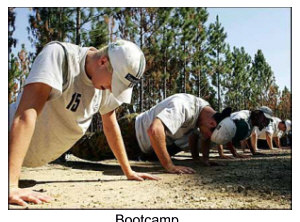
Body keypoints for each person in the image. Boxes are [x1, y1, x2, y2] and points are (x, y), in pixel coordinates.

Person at [9, 39, 159, 207]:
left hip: (23, 163)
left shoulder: (103, 85)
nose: (112, 89)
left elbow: (110, 126)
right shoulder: (60, 56)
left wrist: (128, 170)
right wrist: (11, 186)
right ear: (103, 61)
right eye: (114, 83)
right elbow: (25, 115)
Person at [70, 94, 231, 174]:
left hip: (142, 145)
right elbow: (154, 130)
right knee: (86, 148)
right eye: (211, 135)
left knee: (89, 146)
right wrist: (169, 166)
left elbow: (199, 135)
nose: (209, 138)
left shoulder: (205, 115)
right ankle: (63, 143)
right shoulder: (184, 107)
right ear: (212, 123)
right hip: (131, 133)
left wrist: (203, 159)